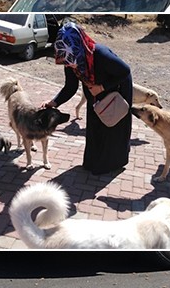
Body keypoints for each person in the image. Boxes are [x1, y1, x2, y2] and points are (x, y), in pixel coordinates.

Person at [42, 22, 132, 175]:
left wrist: (102, 87)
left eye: (71, 60)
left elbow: (124, 71)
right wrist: (54, 102)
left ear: (78, 46)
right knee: (94, 126)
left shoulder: (100, 54)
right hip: (95, 93)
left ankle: (110, 165)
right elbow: (70, 87)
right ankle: (92, 162)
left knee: (111, 128)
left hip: (116, 90)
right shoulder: (70, 59)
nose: (70, 65)